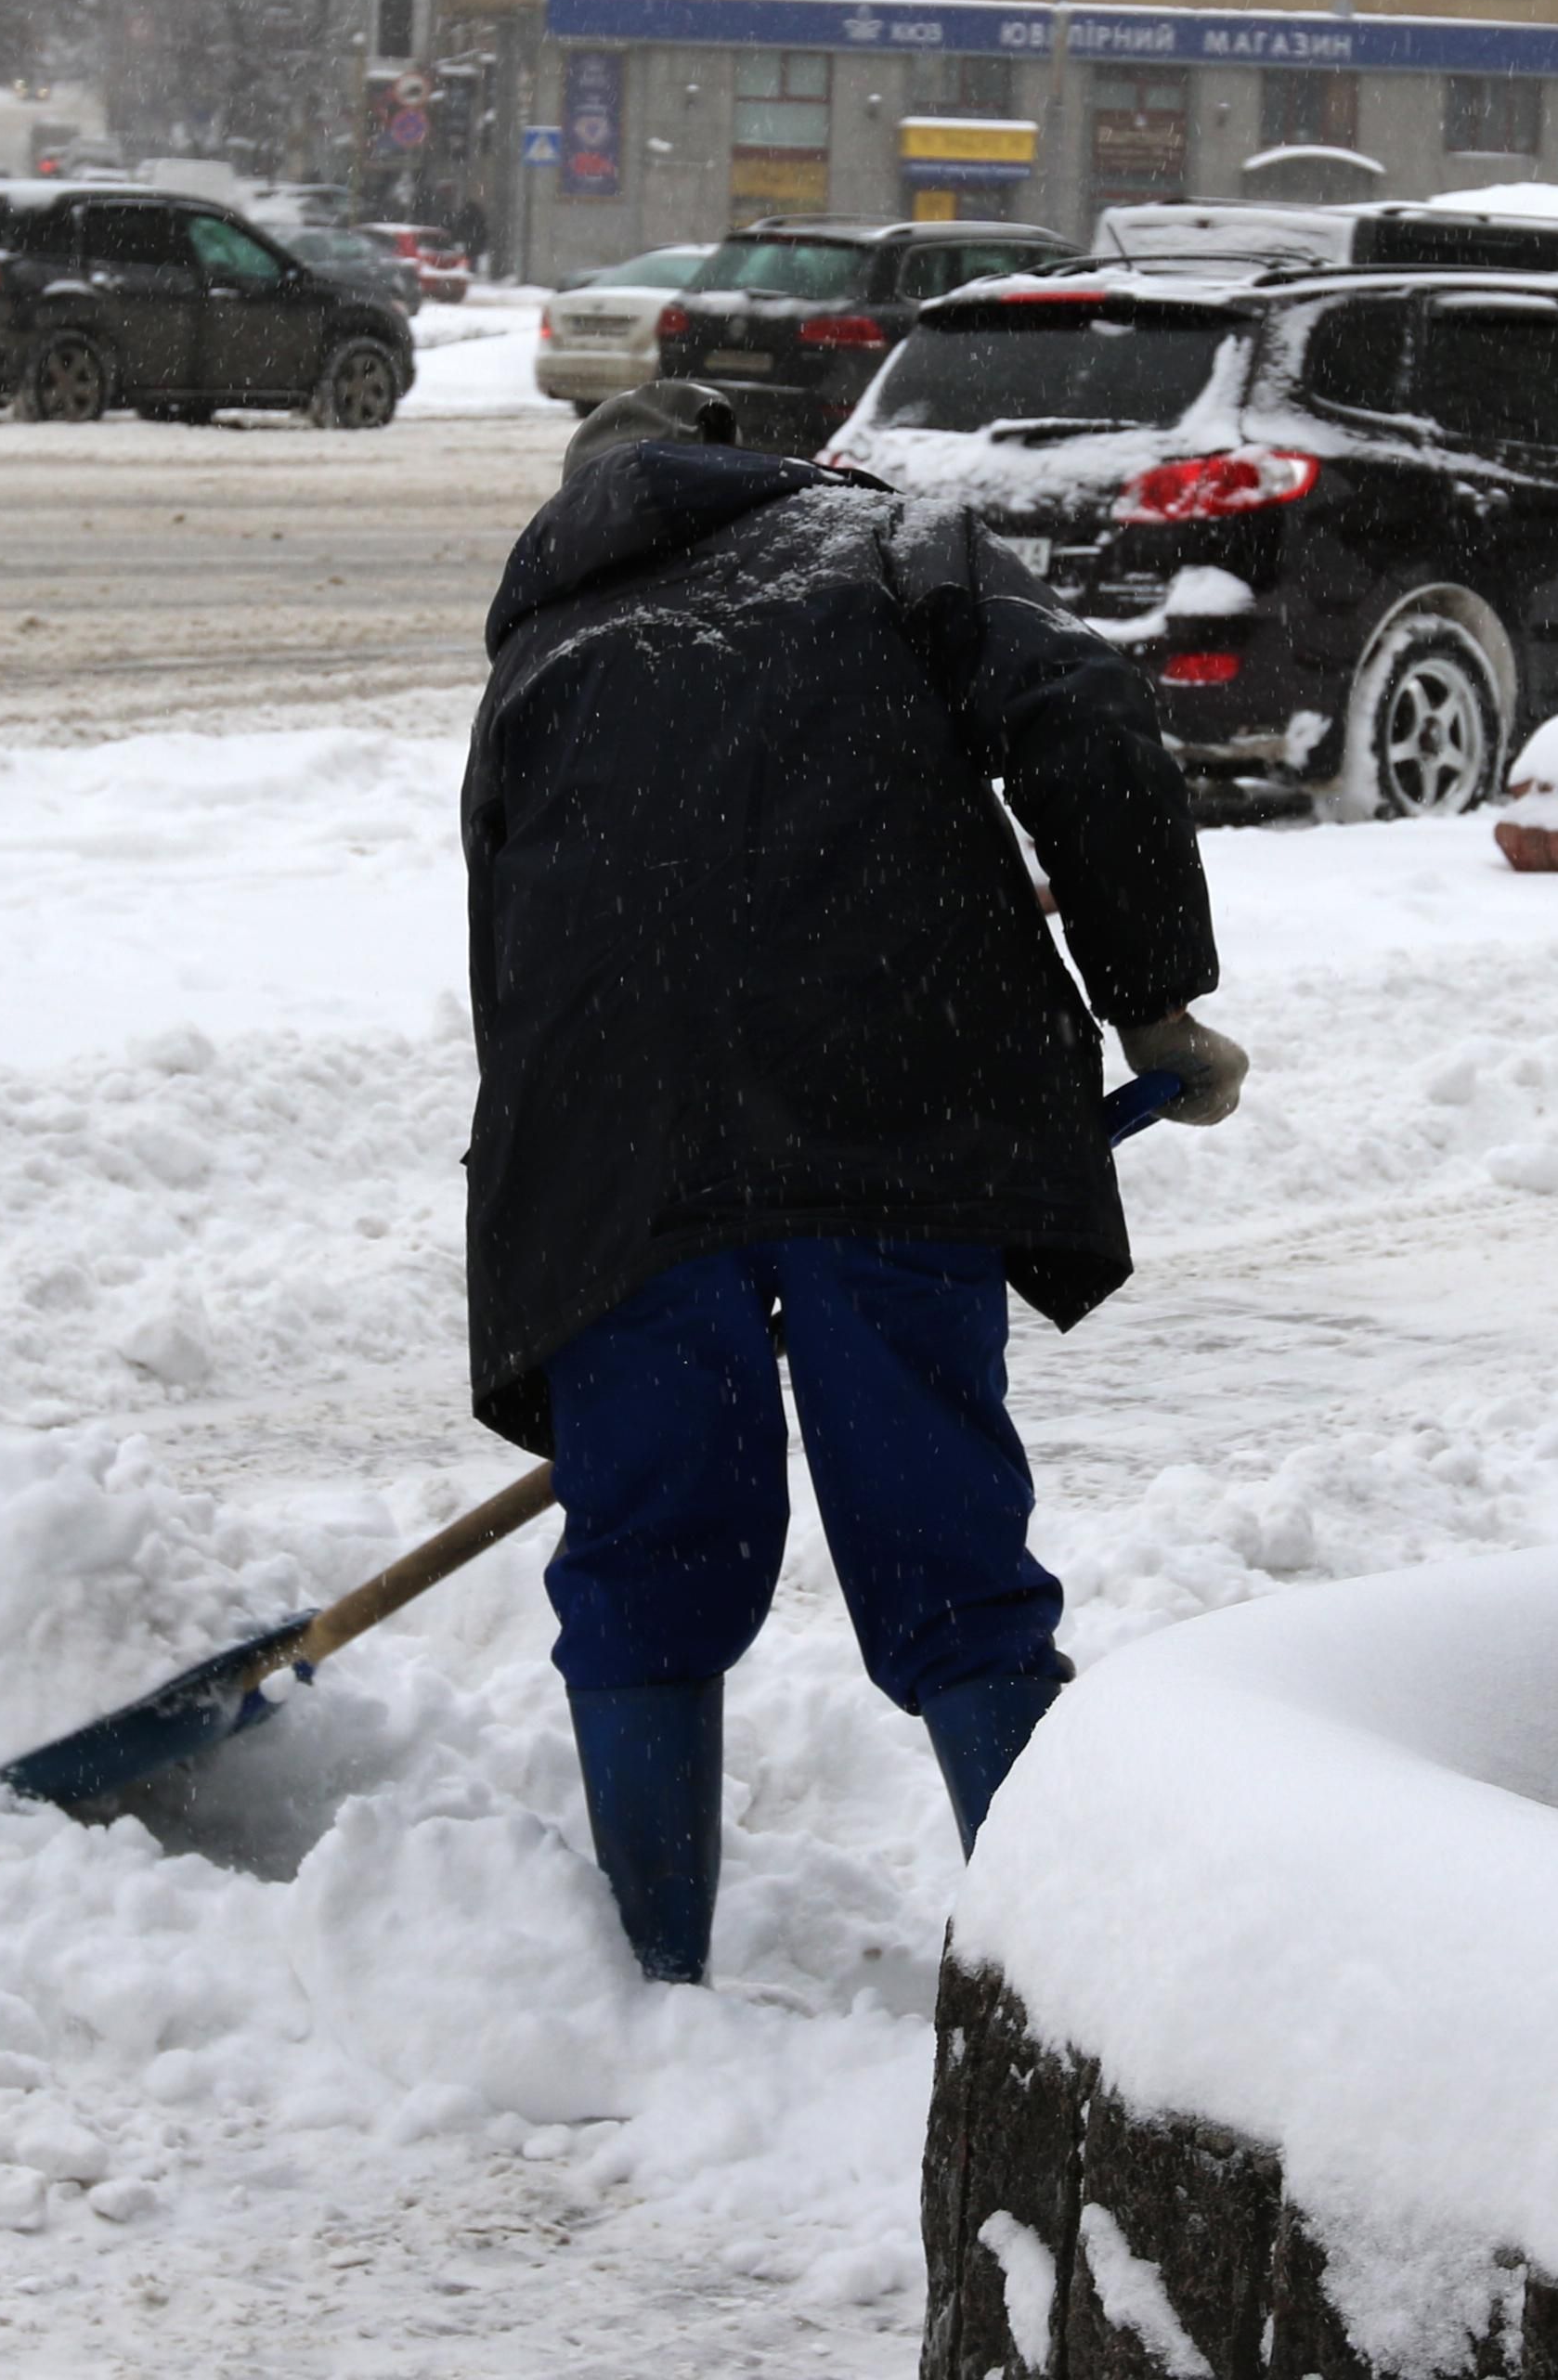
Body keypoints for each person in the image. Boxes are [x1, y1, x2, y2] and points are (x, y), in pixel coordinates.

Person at [461, 381, 1247, 1985]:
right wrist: (1151, 994)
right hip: (895, 1092)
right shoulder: (885, 541)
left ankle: (648, 1984)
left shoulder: (535, 657)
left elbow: (518, 974)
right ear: (746, 455)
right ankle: (1061, 1990)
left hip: (616, 1157)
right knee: (942, 1534)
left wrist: (579, 1240)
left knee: (647, 1551)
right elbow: (1085, 709)